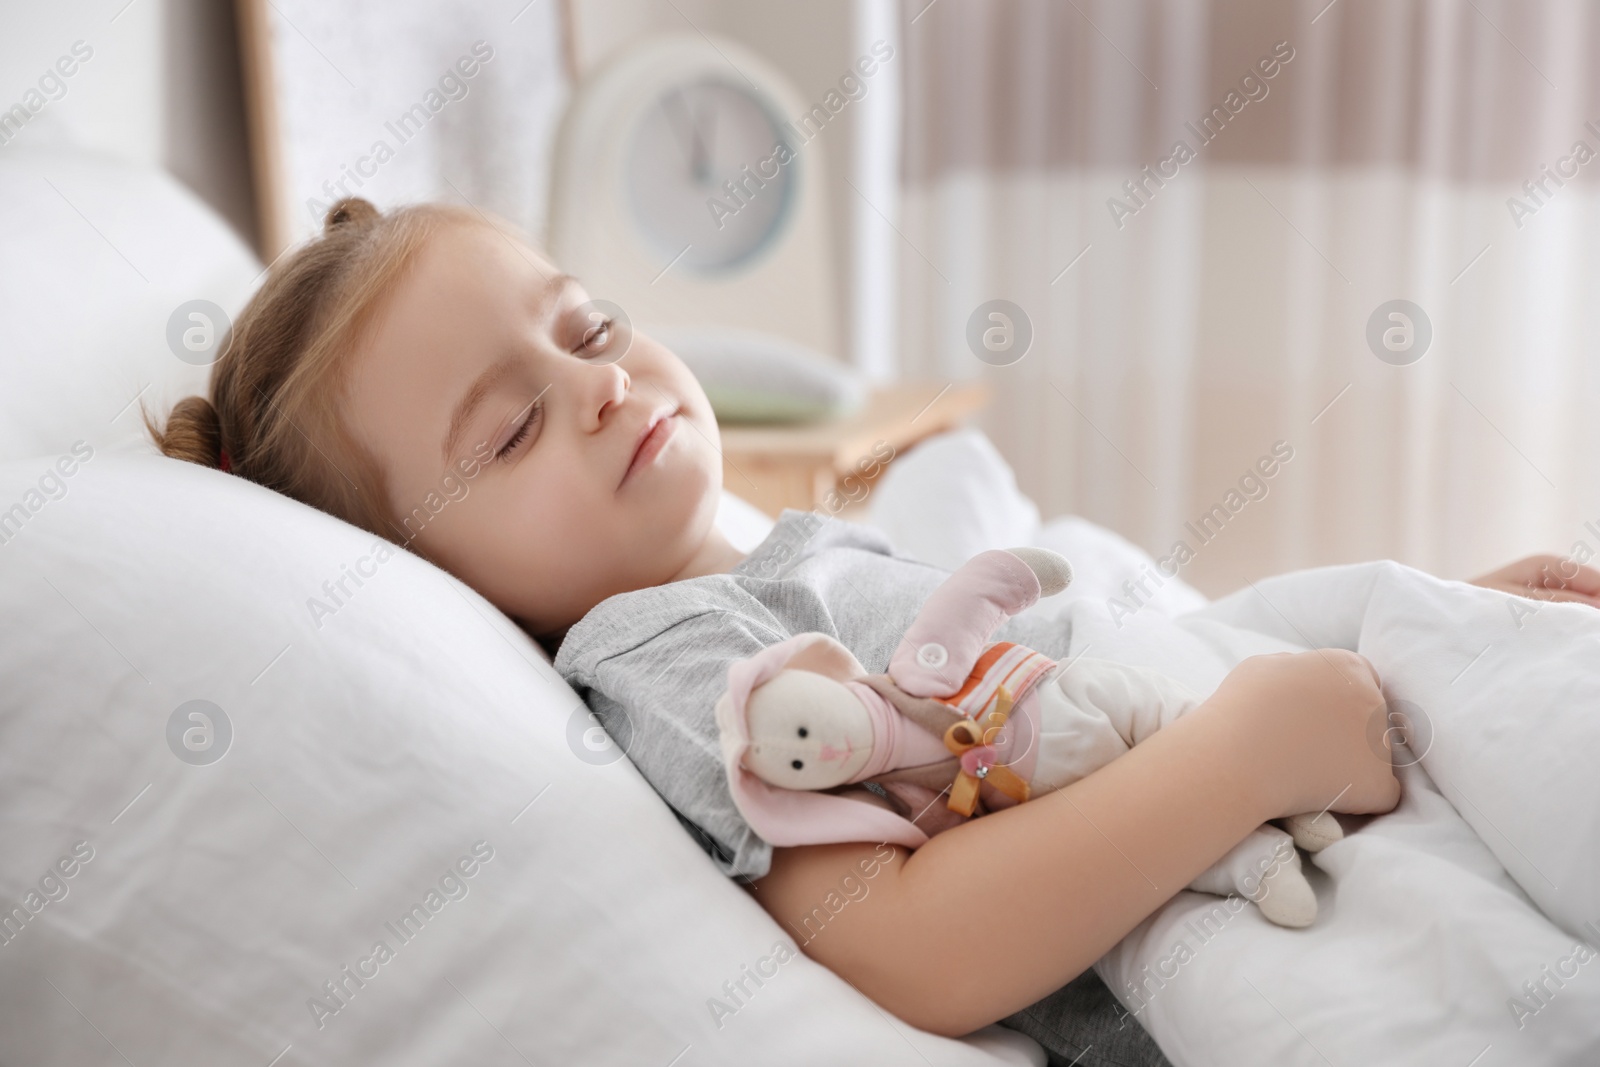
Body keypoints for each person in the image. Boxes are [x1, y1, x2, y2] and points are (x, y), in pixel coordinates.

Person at [146, 199, 1600, 1065]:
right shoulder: (661, 659)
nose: (594, 385)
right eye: (513, 427)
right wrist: (1240, 758)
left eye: (586, 330)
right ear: (437, 577)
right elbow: (903, 947)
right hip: (1247, 923)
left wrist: (1423, 633)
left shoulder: (799, 559)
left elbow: (1091, 689)